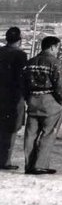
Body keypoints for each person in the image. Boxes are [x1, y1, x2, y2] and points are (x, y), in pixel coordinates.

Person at [23, 35, 62, 175]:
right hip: (49, 101)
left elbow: (23, 85)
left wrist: (28, 99)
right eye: (57, 47)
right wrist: (61, 100)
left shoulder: (30, 62)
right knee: (48, 133)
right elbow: (59, 85)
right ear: (52, 47)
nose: (58, 50)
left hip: (32, 101)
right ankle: (40, 165)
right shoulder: (54, 63)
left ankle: (29, 165)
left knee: (30, 134)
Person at [0, 27, 28, 170]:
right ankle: (5, 161)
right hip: (13, 97)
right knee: (11, 129)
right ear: (19, 40)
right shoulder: (20, 55)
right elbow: (21, 78)